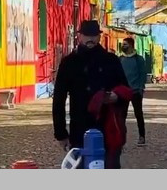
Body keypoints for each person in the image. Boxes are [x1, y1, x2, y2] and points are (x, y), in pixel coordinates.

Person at [52, 20, 132, 169]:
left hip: (108, 127)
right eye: (87, 35)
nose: (91, 39)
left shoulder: (111, 60)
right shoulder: (69, 62)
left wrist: (116, 97)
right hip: (80, 127)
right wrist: (61, 133)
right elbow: (59, 100)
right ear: (80, 36)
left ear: (99, 37)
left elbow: (126, 90)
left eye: (94, 35)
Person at [119, 37, 148, 146]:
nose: (123, 46)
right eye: (123, 44)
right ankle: (121, 137)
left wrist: (140, 88)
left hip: (135, 91)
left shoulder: (138, 59)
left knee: (138, 114)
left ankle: (142, 136)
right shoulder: (120, 59)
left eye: (125, 44)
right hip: (123, 91)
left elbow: (142, 74)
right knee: (122, 115)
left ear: (131, 45)